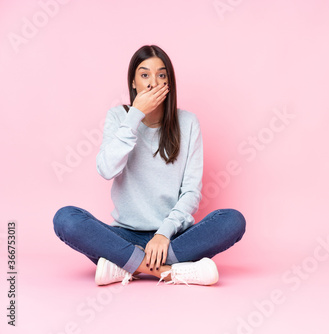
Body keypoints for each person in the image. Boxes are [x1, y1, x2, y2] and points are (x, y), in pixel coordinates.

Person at [53, 45, 246, 286]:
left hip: (173, 237)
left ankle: (124, 266)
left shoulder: (187, 122)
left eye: (161, 75)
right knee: (66, 219)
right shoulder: (118, 117)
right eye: (144, 75)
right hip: (124, 236)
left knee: (232, 220)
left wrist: (163, 234)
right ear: (133, 83)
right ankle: (169, 272)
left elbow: (191, 192)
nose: (153, 82)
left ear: (169, 82)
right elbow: (106, 169)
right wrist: (134, 116)